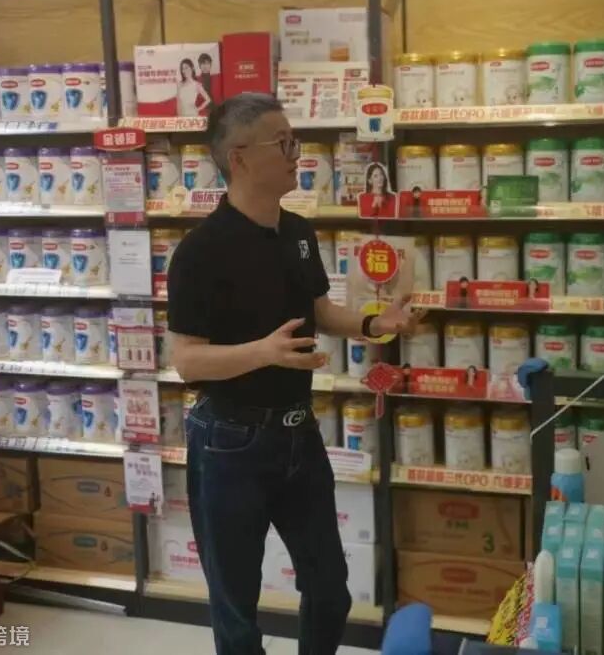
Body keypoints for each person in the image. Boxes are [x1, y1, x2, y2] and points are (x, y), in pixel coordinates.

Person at [167, 93, 423, 655]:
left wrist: (376, 322)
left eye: (294, 141)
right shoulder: (199, 252)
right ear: (239, 158)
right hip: (228, 440)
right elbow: (187, 361)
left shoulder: (299, 232)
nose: (296, 153)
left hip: (297, 435)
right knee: (236, 609)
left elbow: (321, 312)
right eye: (282, 143)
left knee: (330, 590)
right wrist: (264, 352)